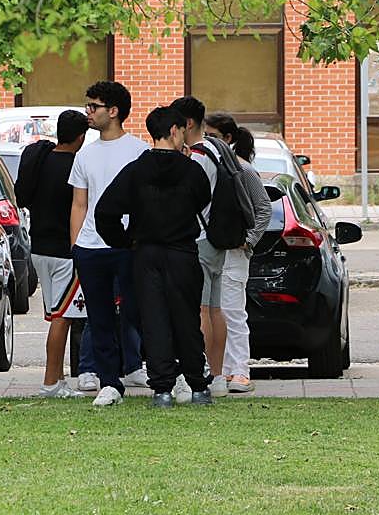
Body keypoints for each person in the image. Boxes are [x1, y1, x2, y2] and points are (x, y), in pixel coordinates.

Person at [96, 107, 213, 407]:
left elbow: (105, 211)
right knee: (187, 318)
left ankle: (162, 388)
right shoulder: (191, 170)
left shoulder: (136, 170)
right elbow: (204, 197)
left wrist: (124, 241)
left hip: (145, 252)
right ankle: (197, 384)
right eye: (183, 131)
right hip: (182, 251)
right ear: (174, 131)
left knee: (154, 320)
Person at [68, 81, 149, 407]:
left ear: (113, 111)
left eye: (93, 107)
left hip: (128, 246)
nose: (88, 112)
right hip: (90, 249)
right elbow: (78, 204)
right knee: (99, 317)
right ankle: (109, 382)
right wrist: (76, 247)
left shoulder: (139, 151)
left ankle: (160, 373)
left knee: (137, 312)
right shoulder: (85, 154)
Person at [170, 96, 255, 399]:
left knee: (202, 310)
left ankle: (202, 372)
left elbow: (186, 200)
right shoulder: (218, 151)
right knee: (216, 309)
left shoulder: (198, 157)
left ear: (187, 124)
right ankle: (217, 375)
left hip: (198, 240)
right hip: (217, 240)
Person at [15, 109, 92, 398]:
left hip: (40, 249)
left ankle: (58, 378)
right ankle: (50, 382)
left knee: (55, 313)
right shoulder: (78, 166)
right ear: (81, 137)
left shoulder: (42, 159)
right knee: (63, 317)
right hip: (65, 251)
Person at [203, 113, 273, 393]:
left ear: (228, 139)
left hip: (233, 251)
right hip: (209, 248)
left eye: (214, 136)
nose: (208, 142)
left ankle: (239, 370)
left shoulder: (242, 170)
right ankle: (216, 369)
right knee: (208, 311)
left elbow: (263, 207)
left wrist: (249, 239)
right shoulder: (204, 165)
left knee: (232, 312)